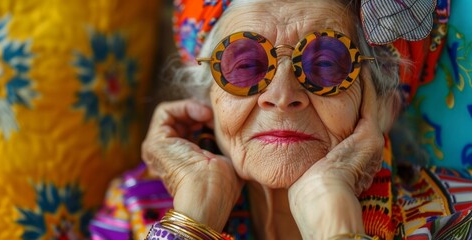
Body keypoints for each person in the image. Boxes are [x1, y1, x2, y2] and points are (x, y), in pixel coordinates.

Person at [89, 0, 472, 239]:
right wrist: (192, 219)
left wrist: (335, 224)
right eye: (244, 64)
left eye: (326, 63)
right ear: (206, 99)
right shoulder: (137, 209)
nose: (281, 95)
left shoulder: (457, 215)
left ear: (384, 104)